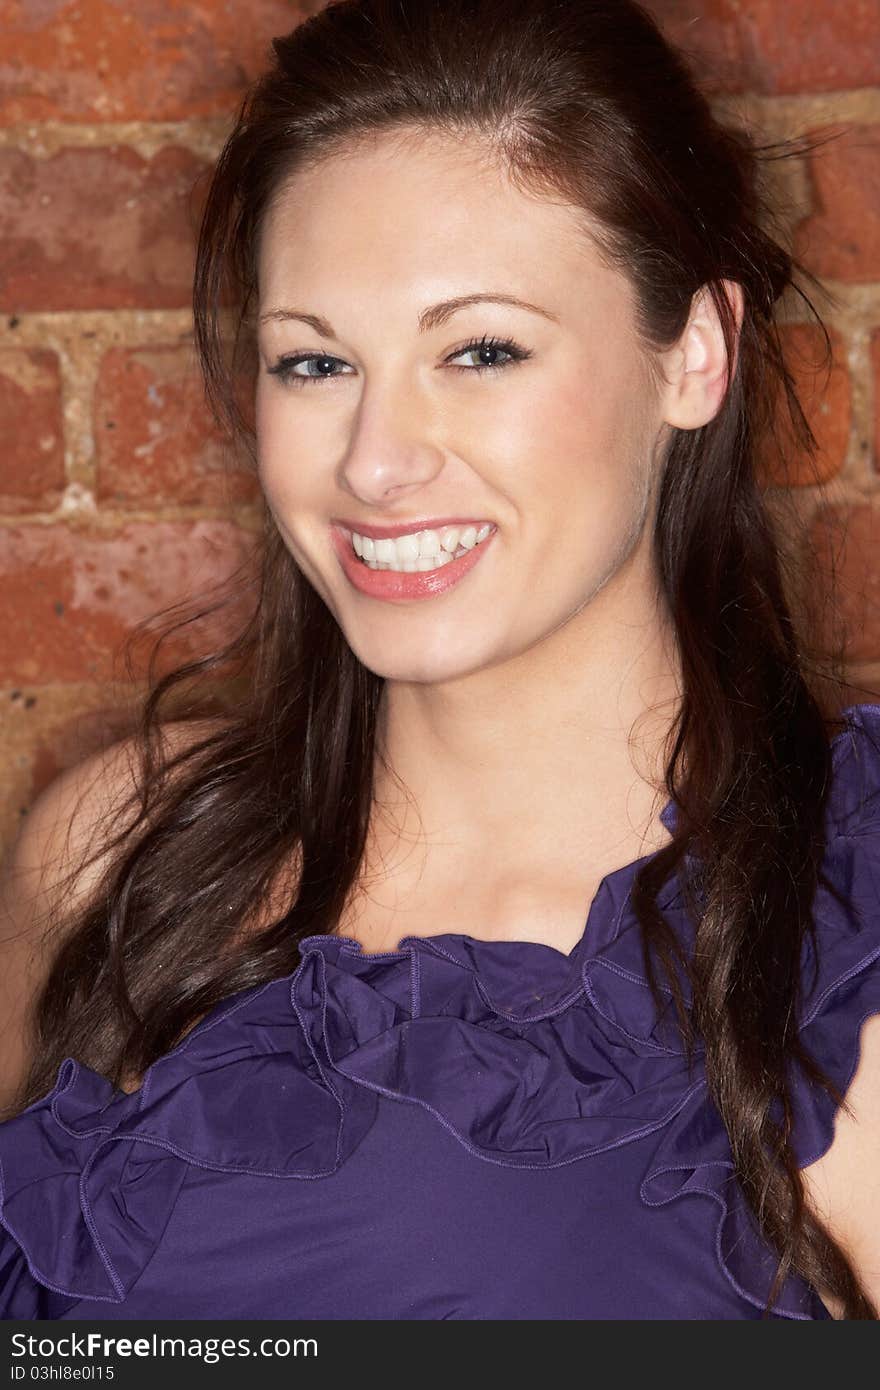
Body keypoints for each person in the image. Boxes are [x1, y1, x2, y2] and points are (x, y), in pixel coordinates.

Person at [0, 0, 878, 1322]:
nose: (372, 459)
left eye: (480, 350)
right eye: (314, 360)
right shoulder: (112, 856)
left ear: (694, 353)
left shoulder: (843, 924)